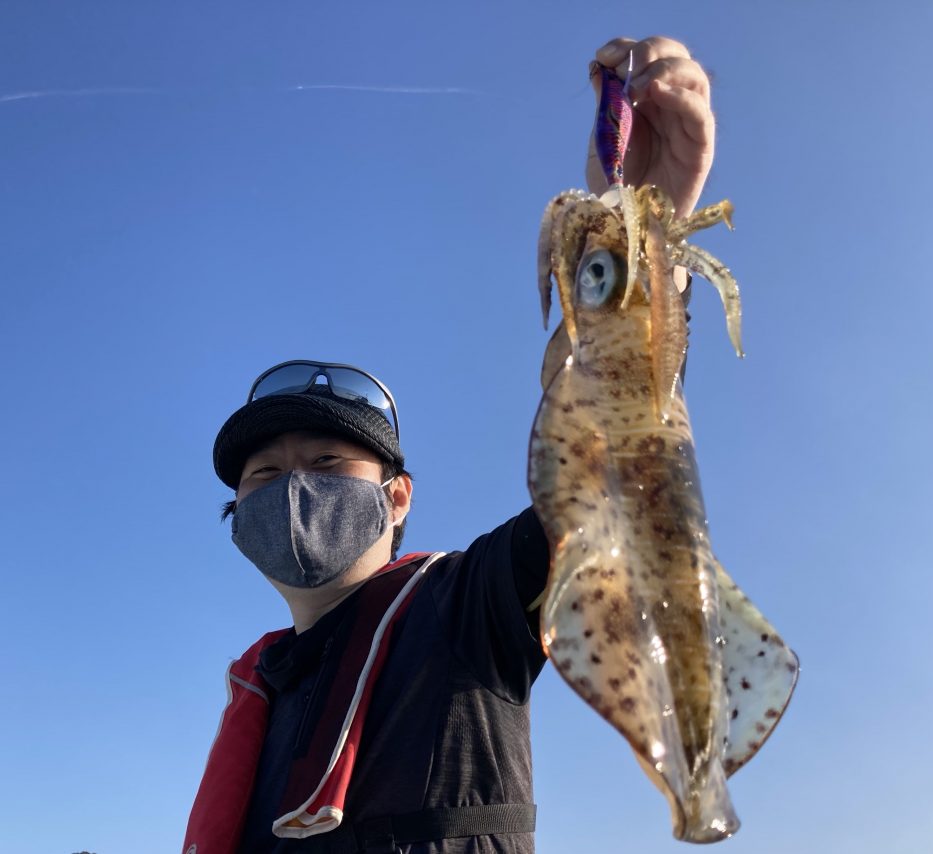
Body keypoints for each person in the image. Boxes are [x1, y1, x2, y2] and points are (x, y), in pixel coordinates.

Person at [183, 35, 716, 854]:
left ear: (397, 497)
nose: (294, 489)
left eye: (326, 464)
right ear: (236, 517)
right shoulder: (260, 691)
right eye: (266, 474)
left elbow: (606, 463)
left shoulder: (471, 605)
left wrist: (639, 236)